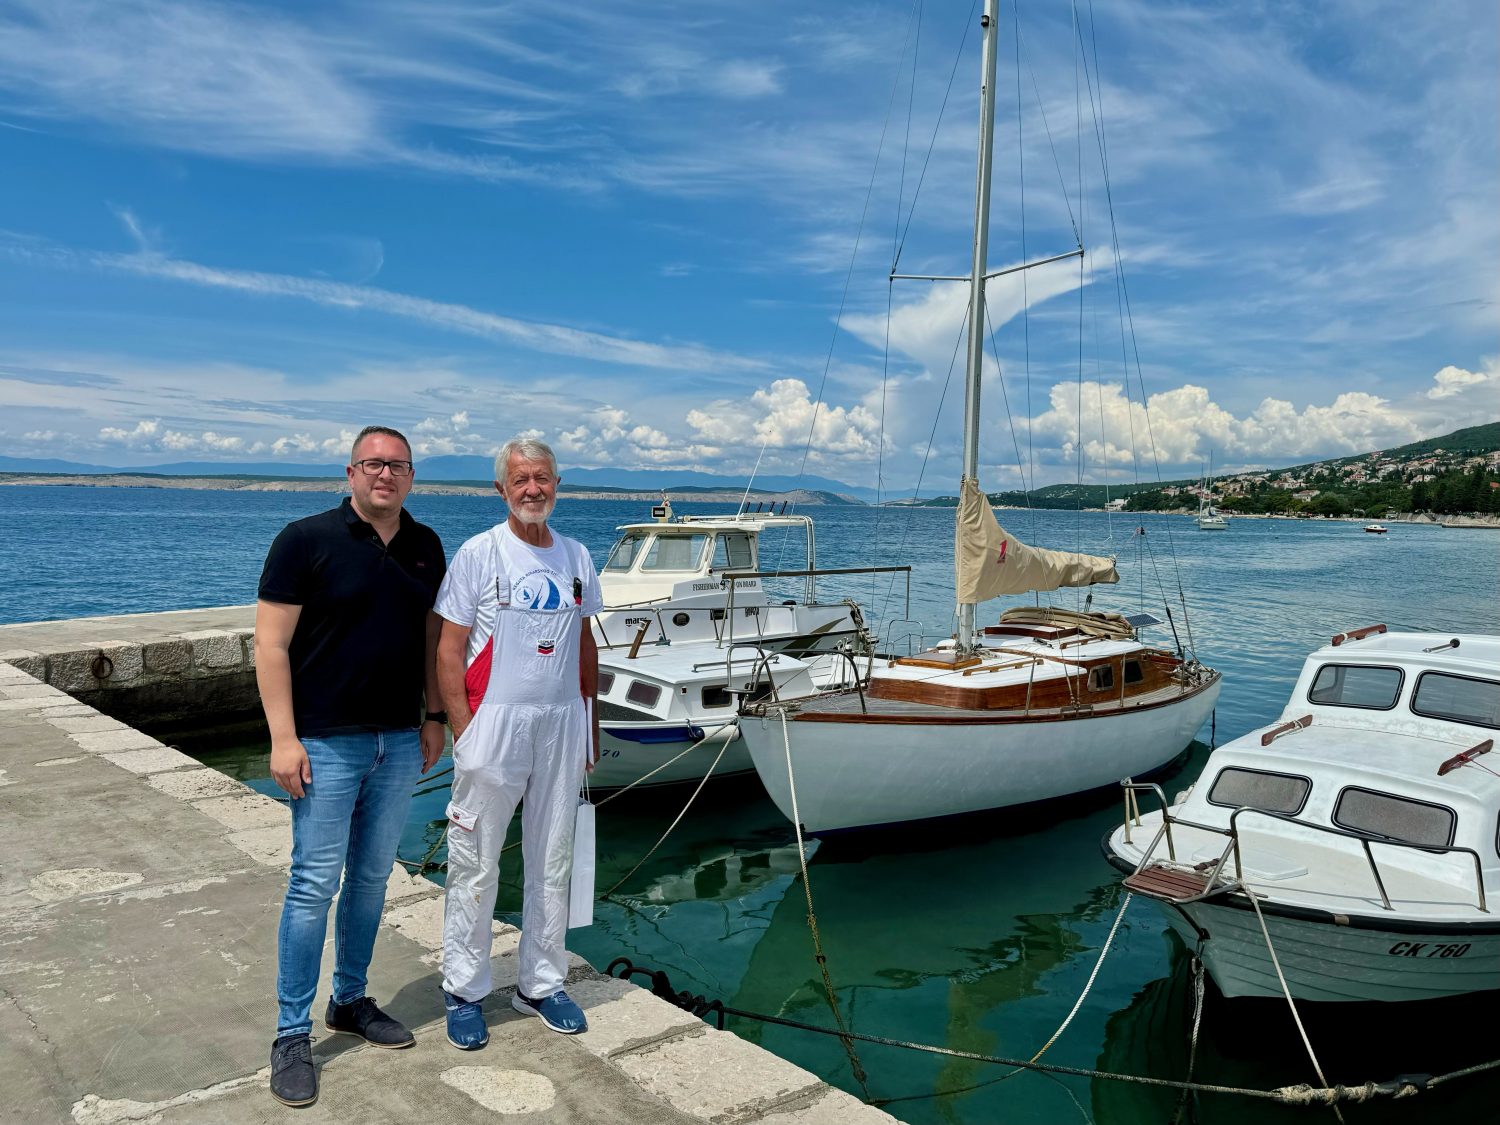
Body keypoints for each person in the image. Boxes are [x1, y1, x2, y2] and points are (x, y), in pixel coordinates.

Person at [254, 425, 447, 1107]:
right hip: (326, 742)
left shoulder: (425, 546)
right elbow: (271, 645)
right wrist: (284, 737)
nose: (384, 474)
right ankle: (290, 1034)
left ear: (411, 475)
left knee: (370, 877)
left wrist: (434, 716)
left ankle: (351, 999)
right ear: (351, 471)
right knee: (312, 882)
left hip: (397, 740)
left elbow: (431, 637)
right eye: (373, 464)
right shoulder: (304, 540)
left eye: (397, 465)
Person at [434, 436, 601, 1049]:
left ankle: (541, 982)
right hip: (493, 724)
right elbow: (449, 650)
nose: (534, 489)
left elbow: (585, 646)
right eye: (521, 479)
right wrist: (465, 731)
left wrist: (591, 723)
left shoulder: (578, 557)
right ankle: (464, 988)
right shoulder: (480, 554)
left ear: (557, 484)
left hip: (562, 722)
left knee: (552, 857)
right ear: (501, 489)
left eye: (544, 478)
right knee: (475, 862)